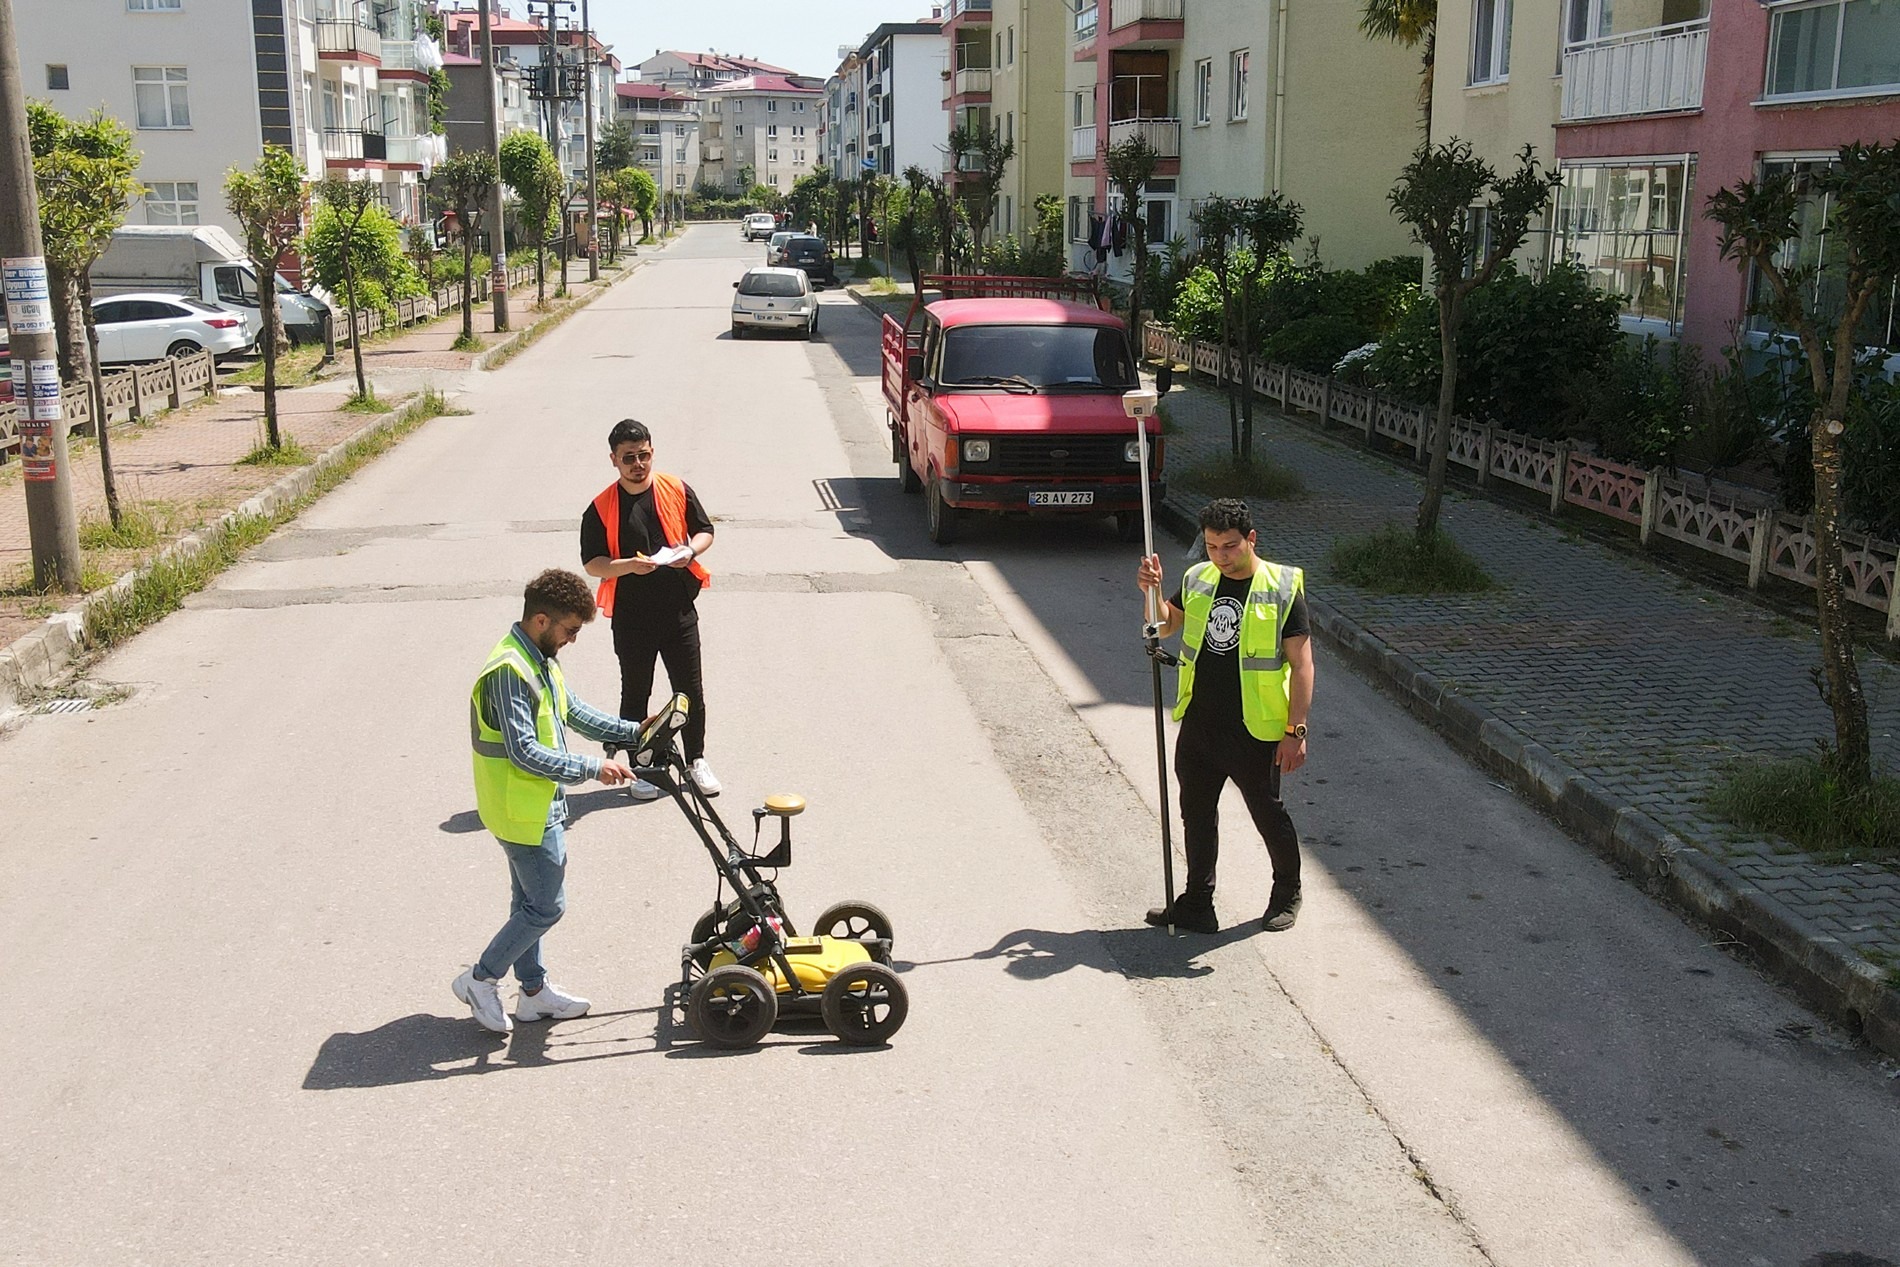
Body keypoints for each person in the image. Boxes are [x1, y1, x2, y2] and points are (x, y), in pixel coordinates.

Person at [453, 569, 645, 1034]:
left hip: (535, 803)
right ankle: (481, 979)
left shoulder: (537, 657)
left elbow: (572, 711)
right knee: (546, 906)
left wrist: (636, 730)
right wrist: (591, 768)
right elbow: (524, 751)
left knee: (528, 904)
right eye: (571, 630)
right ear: (542, 620)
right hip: (521, 808)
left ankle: (534, 993)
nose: (573, 640)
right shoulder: (509, 671)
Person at [1135, 498, 1315, 934]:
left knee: (1267, 813)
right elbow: (1164, 626)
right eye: (1213, 547)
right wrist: (1153, 593)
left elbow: (1303, 664)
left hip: (1254, 729)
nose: (1221, 556)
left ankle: (1287, 891)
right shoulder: (1199, 578)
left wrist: (1296, 731)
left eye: (1230, 546)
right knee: (1195, 813)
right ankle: (1198, 903)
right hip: (1200, 723)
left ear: (1251, 539)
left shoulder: (1281, 586)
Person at [580, 419, 719, 799]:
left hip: (678, 612)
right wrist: (628, 565)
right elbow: (592, 563)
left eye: (643, 455)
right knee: (635, 694)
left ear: (652, 452)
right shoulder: (601, 507)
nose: (637, 464)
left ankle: (697, 761)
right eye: (629, 458)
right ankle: (641, 768)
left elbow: (705, 530)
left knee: (690, 690)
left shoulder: (675, 488)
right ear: (614, 460)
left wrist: (689, 551)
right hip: (632, 618)